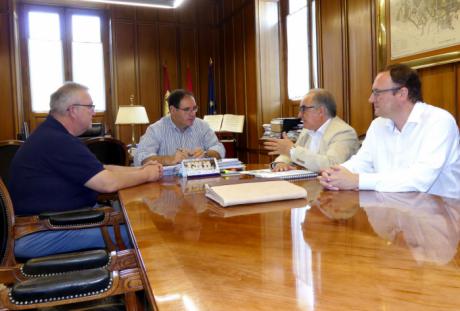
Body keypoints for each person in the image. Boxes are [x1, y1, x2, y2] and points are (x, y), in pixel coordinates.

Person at [9, 82, 163, 258]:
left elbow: (101, 169)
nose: (94, 112)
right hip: (41, 232)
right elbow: (107, 183)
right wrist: (147, 174)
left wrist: (141, 169)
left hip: (55, 222)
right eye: (90, 106)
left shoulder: (53, 135)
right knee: (143, 232)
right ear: (73, 110)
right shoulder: (57, 141)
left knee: (137, 221)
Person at [319, 64, 460, 198]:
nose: (370, 99)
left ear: (402, 93)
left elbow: (420, 178)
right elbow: (362, 163)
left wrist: (357, 180)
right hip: (392, 208)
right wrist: (333, 174)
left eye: (377, 92)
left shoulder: (439, 121)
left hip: (439, 214)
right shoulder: (377, 125)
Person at [264, 88, 359, 172]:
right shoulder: (307, 130)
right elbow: (289, 154)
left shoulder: (343, 132)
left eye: (303, 109)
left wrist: (292, 150)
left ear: (320, 111)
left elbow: (331, 165)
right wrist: (279, 163)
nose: (299, 115)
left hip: (334, 189)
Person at [134, 89, 225, 166]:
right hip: (166, 183)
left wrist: (206, 154)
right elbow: (140, 157)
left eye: (194, 108)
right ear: (172, 110)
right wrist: (169, 159)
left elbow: (219, 149)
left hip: (198, 181)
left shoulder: (202, 126)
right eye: (186, 109)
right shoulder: (156, 129)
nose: (193, 113)